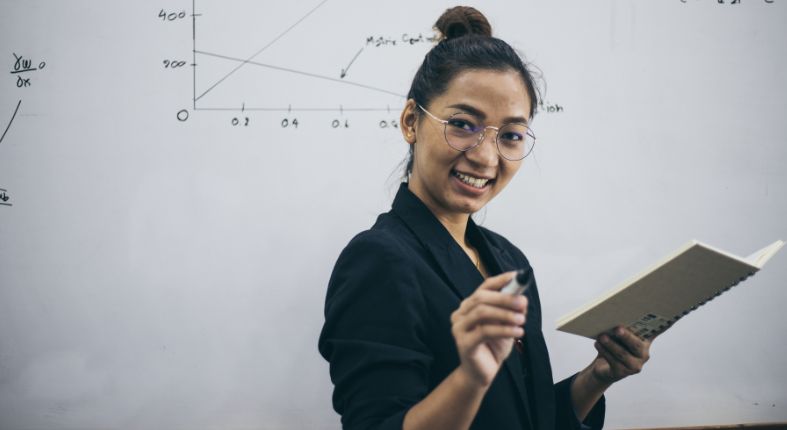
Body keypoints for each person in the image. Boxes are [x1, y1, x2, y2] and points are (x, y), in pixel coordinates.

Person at [318, 6, 653, 430]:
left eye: (510, 135)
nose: (486, 156)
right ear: (410, 122)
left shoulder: (507, 260)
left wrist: (597, 377)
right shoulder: (377, 259)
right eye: (462, 124)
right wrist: (471, 379)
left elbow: (525, 417)